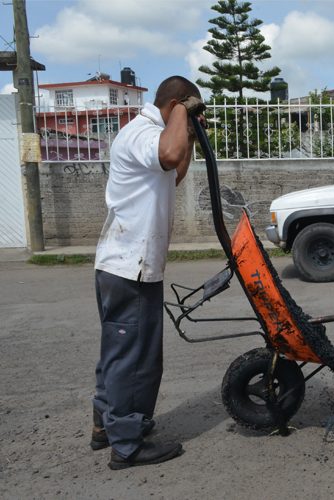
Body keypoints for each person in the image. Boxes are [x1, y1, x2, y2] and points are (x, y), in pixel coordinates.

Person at [91, 76, 205, 469]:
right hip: (129, 267)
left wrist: (189, 131)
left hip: (128, 264)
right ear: (174, 103)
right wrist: (181, 115)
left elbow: (174, 172)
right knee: (135, 359)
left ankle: (106, 426)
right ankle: (127, 445)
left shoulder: (153, 139)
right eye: (189, 110)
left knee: (118, 353)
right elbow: (170, 155)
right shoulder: (141, 132)